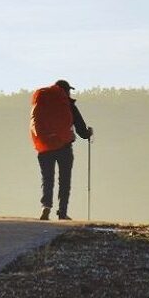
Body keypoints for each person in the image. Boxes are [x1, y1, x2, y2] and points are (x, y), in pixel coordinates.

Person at [29, 79, 93, 220]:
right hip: (64, 147)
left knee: (47, 178)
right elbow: (81, 129)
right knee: (64, 180)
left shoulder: (42, 101)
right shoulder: (67, 104)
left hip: (44, 146)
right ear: (66, 90)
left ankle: (46, 207)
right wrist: (88, 133)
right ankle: (62, 212)